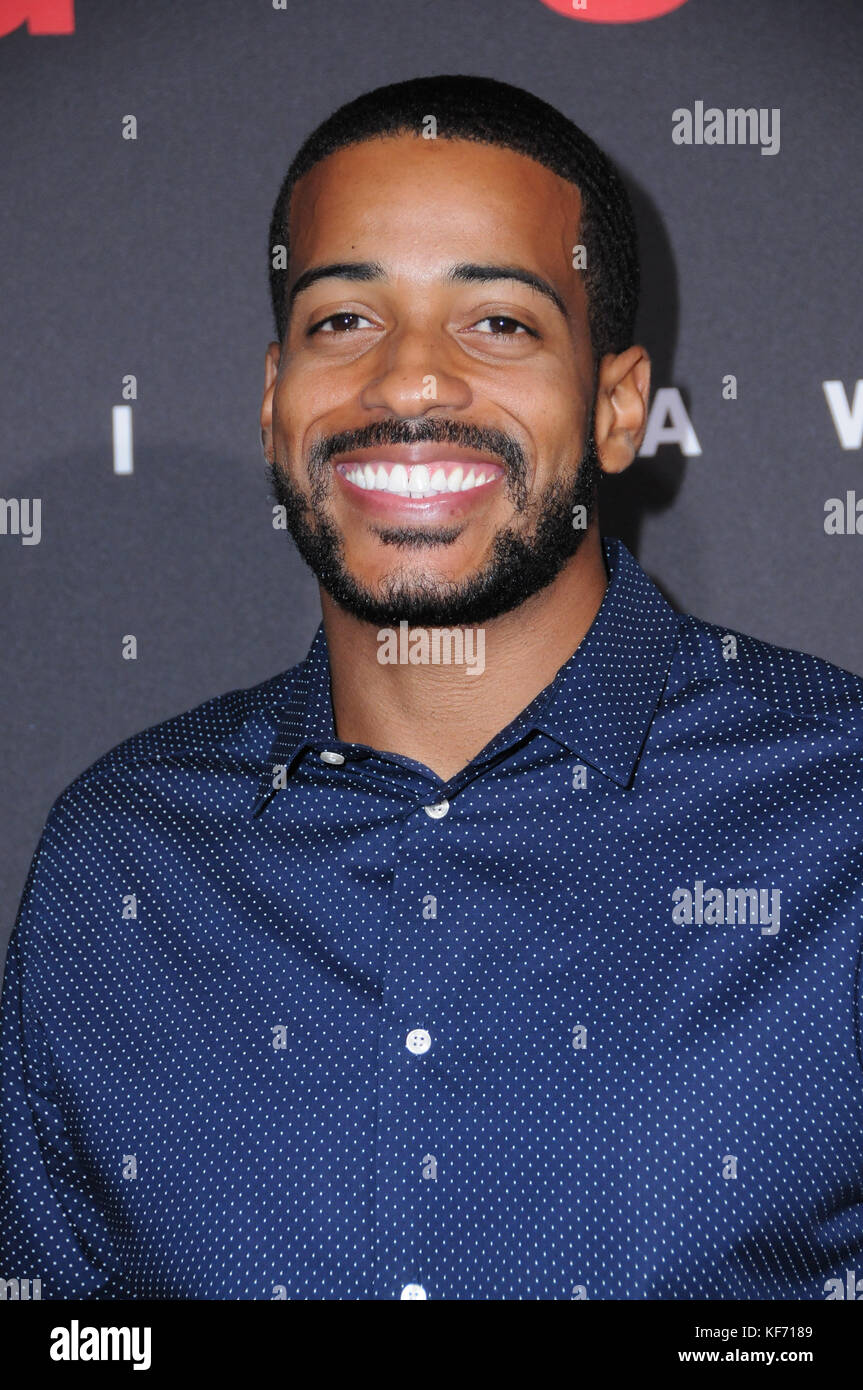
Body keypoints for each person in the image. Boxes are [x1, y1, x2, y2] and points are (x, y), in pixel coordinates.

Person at [2, 74, 862, 1302]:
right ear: (270, 402)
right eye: (343, 320)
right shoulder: (121, 860)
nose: (407, 383)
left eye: (498, 323)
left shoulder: (839, 821)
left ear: (617, 409)